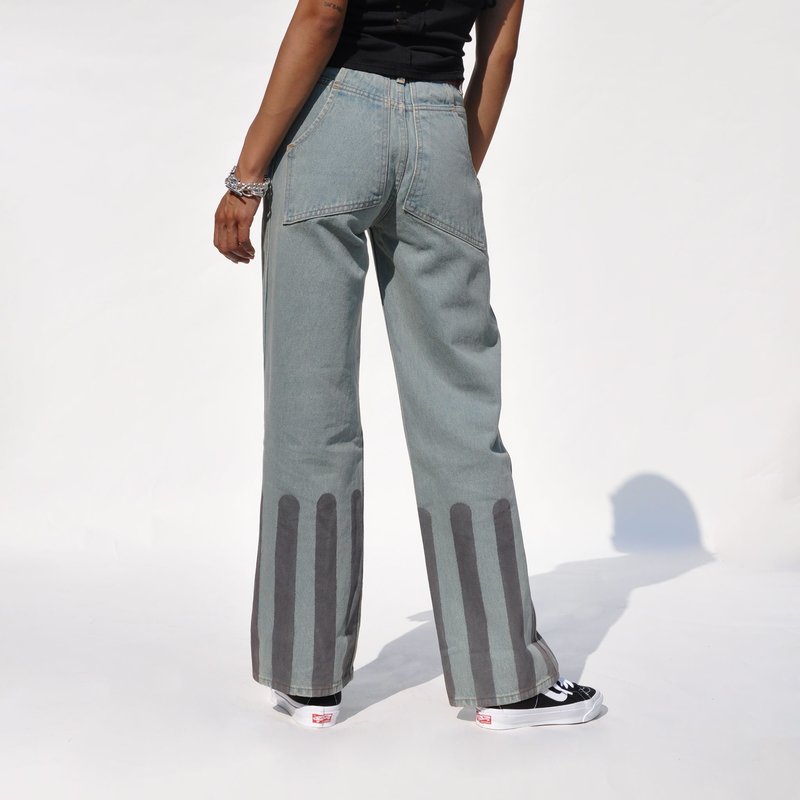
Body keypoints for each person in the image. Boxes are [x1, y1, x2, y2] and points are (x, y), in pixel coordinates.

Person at [213, 0, 603, 730]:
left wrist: (247, 176)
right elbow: (498, 57)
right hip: (440, 124)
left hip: (333, 121)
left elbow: (323, 12)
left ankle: (308, 680)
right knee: (461, 410)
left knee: (309, 406)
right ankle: (505, 681)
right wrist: (445, 167)